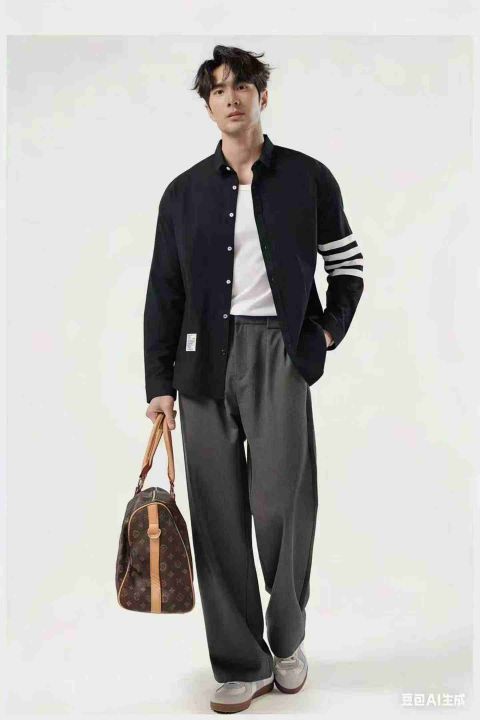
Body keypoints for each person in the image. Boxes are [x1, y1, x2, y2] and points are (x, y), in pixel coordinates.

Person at [143, 45, 364, 714]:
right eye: (217, 89)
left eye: (241, 85)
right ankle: (241, 661)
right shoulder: (183, 194)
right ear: (208, 106)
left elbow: (347, 266)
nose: (230, 97)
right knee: (216, 518)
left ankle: (287, 640)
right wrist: (158, 385)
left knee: (282, 507)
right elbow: (164, 293)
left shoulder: (307, 178)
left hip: (279, 354)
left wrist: (323, 334)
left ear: (262, 96)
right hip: (201, 363)